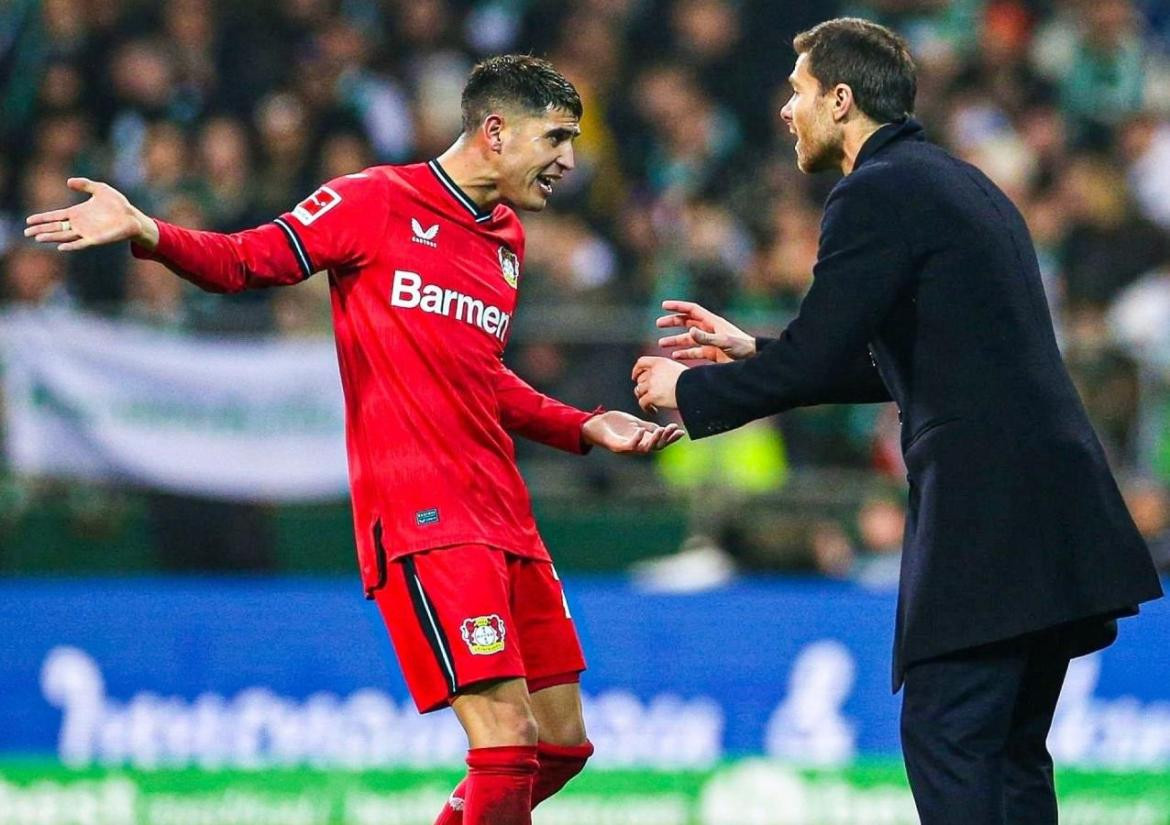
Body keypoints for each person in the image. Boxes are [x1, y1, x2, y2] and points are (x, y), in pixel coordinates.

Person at [26, 55, 682, 825]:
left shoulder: (505, 239)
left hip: (505, 509)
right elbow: (247, 261)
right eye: (557, 137)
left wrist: (582, 423)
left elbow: (480, 376)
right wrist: (149, 229)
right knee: (505, 744)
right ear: (496, 131)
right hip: (426, 515)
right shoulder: (372, 201)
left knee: (562, 745)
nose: (570, 160)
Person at [632, 18, 1163, 825]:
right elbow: (905, 354)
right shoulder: (960, 182)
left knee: (948, 733)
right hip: (1052, 512)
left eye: (799, 91)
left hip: (990, 515)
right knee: (1009, 754)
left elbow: (818, 359)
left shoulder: (874, 192)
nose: (785, 110)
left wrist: (693, 392)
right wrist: (754, 351)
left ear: (841, 101)